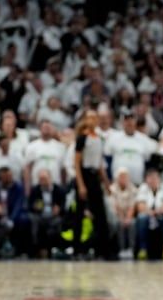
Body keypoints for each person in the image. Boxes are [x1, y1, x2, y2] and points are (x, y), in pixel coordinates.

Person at [73, 110, 112, 259]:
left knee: (100, 215)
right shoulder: (82, 138)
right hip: (84, 175)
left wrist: (106, 183)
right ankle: (77, 250)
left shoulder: (99, 138)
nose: (92, 120)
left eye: (94, 118)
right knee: (80, 215)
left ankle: (102, 250)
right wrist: (81, 185)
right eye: (89, 117)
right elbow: (76, 163)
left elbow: (100, 164)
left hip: (95, 176)